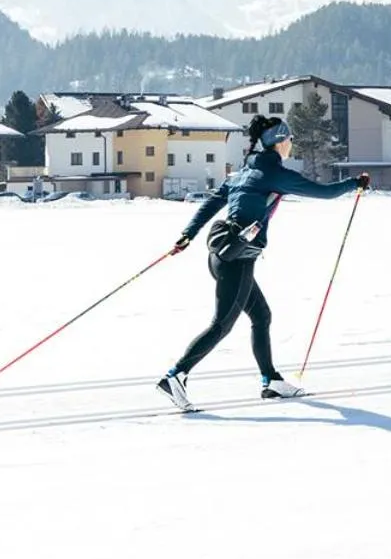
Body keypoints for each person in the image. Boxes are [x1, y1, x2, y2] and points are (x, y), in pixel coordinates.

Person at [156, 115, 370, 410]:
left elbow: (210, 204)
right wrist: (354, 183)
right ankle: (175, 375)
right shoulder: (274, 173)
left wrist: (187, 235)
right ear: (280, 142)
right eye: (289, 139)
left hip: (220, 255)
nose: (291, 144)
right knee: (222, 325)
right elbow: (324, 192)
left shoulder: (242, 174)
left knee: (262, 316)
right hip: (238, 260)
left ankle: (270, 380)